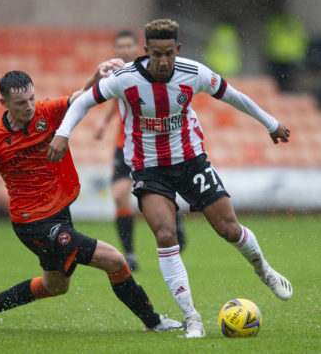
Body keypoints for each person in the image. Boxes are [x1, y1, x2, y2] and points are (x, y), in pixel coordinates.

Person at [48, 19, 293, 339]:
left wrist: (271, 123)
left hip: (191, 161)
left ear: (177, 50)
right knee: (165, 236)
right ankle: (192, 319)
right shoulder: (125, 79)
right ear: (146, 50)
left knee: (229, 229)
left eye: (169, 54)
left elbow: (234, 96)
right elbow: (83, 101)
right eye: (157, 54)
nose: (163, 61)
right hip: (148, 168)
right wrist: (63, 134)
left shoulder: (195, 73)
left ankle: (264, 270)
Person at [0, 66, 184, 333]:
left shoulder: (46, 111)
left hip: (59, 212)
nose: (29, 106)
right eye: (21, 103)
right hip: (33, 223)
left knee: (54, 286)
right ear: (3, 103)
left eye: (32, 98)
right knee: (114, 260)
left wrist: (94, 76)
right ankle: (154, 322)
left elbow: (80, 98)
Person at [95, 30, 187, 271]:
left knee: (162, 190)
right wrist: (104, 123)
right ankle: (130, 253)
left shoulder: (151, 70)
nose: (125, 49)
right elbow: (116, 100)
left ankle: (175, 220)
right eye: (121, 46)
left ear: (138, 47)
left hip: (148, 146)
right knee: (119, 196)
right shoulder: (116, 72)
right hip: (122, 146)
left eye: (129, 45)